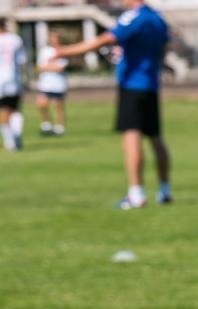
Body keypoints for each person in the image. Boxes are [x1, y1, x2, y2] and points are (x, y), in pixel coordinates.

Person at [52, 0, 172, 208]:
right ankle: (164, 190)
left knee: (131, 135)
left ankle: (136, 194)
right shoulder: (157, 19)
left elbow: (106, 38)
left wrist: (66, 51)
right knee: (155, 137)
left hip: (133, 85)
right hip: (151, 83)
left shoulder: (134, 16)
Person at [35, 30, 68, 137]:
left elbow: (60, 68)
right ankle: (46, 125)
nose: (53, 40)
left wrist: (47, 67)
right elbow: (39, 67)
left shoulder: (63, 50)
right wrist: (51, 67)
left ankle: (59, 128)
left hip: (58, 84)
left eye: (55, 38)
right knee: (41, 104)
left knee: (58, 106)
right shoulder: (44, 51)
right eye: (51, 37)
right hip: (45, 83)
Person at [0, 20, 24, 152]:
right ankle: (15, 137)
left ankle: (10, 141)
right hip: (12, 77)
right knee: (14, 109)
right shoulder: (15, 39)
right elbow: (21, 61)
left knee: (4, 109)